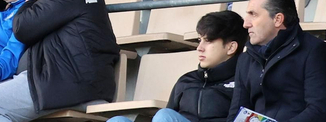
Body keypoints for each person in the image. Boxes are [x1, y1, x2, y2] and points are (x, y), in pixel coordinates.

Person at [105, 10, 244, 122]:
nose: (199, 48)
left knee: (164, 116)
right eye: (199, 40)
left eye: (208, 41)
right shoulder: (186, 80)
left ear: (231, 47)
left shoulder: (244, 81)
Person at [227, 0, 326, 122]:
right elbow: (236, 113)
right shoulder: (245, 58)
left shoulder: (314, 51)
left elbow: (320, 110)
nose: (246, 24)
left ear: (278, 19)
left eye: (253, 15)